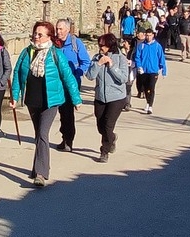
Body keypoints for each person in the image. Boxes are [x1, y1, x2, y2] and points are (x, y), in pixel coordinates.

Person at [10, 21, 82, 187]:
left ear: (49, 37)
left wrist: (76, 99)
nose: (36, 37)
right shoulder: (26, 52)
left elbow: (68, 76)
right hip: (32, 100)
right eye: (35, 33)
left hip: (51, 100)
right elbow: (17, 75)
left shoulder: (56, 54)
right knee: (38, 135)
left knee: (43, 133)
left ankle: (41, 173)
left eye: (40, 34)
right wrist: (15, 96)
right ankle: (38, 167)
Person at [85, 33, 128, 163]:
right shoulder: (96, 58)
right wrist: (98, 64)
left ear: (110, 45)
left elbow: (123, 78)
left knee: (108, 125)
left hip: (117, 97)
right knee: (101, 126)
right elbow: (90, 76)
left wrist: (111, 65)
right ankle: (112, 138)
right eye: (99, 45)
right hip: (100, 97)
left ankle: (104, 151)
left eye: (103, 46)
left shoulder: (121, 58)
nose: (100, 48)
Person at [55, 19, 91, 152]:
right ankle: (65, 137)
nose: (58, 31)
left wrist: (76, 75)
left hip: (72, 85)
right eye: (57, 29)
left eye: (61, 29)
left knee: (68, 113)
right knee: (62, 112)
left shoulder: (76, 43)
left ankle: (68, 140)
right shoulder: (55, 44)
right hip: (57, 84)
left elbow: (86, 62)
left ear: (68, 30)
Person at [136, 28, 167, 114]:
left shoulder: (157, 46)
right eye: (147, 35)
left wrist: (163, 70)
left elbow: (161, 58)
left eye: (150, 35)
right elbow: (137, 57)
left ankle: (150, 106)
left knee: (151, 87)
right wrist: (139, 66)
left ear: (153, 35)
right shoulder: (141, 45)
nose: (148, 37)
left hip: (154, 71)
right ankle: (147, 102)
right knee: (146, 88)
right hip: (144, 71)